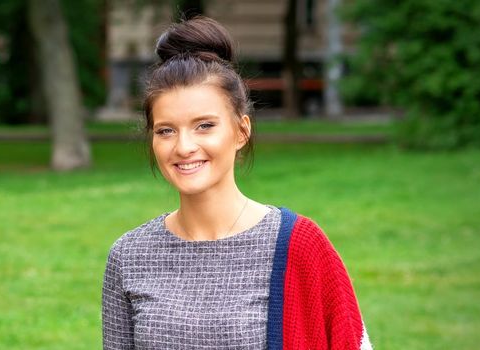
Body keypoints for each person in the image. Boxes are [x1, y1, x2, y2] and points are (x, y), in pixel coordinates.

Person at [101, 16, 372, 350]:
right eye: (166, 130)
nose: (183, 146)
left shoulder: (298, 246)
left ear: (241, 131)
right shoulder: (129, 255)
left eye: (204, 125)